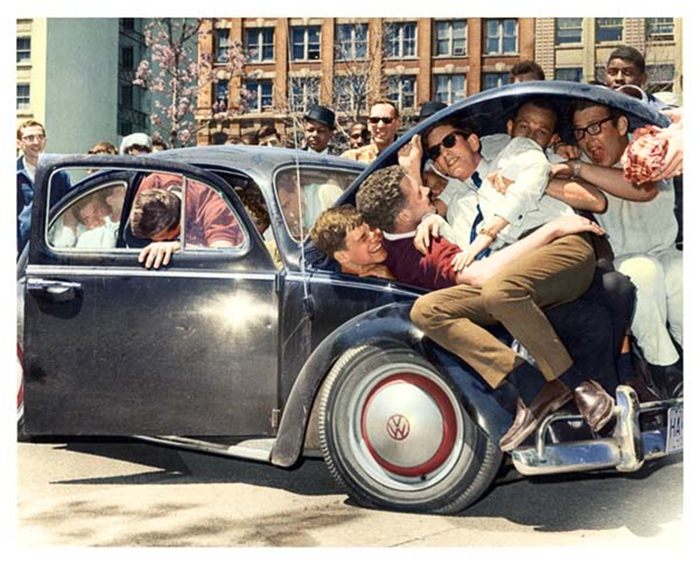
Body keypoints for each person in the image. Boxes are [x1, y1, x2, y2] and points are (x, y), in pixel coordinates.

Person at [355, 165, 615, 451]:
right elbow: (479, 276)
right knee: (425, 310)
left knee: (497, 291)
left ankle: (575, 384)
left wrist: (553, 228)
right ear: (403, 217)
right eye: (419, 192)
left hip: (561, 244)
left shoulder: (402, 233)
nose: (427, 189)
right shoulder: (419, 250)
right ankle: (534, 385)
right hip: (519, 266)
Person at [563, 100, 682, 395]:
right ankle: (665, 370)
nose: (588, 140)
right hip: (621, 264)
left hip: (665, 252)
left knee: (683, 273)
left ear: (621, 125)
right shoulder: (578, 162)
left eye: (595, 128)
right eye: (580, 132)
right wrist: (570, 163)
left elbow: (642, 186)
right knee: (643, 272)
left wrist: (578, 167)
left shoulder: (646, 148)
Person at [130, 173, 243, 269]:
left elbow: (224, 254)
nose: (156, 243)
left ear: (179, 225)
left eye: (164, 238)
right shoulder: (153, 183)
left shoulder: (211, 204)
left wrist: (180, 246)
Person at [17, 119, 72, 255]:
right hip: (19, 246)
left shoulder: (58, 174)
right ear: (19, 143)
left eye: (40, 137)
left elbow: (68, 210)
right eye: (29, 138)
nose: (36, 142)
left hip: (50, 245)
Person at [603, 46, 668, 109]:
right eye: (612, 72)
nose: (619, 78)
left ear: (643, 78)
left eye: (628, 73)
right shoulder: (599, 106)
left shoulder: (658, 112)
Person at [341, 99, 401, 163]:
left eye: (387, 120)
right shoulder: (352, 158)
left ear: (398, 123)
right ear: (369, 125)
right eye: (374, 120)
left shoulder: (407, 158)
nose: (380, 126)